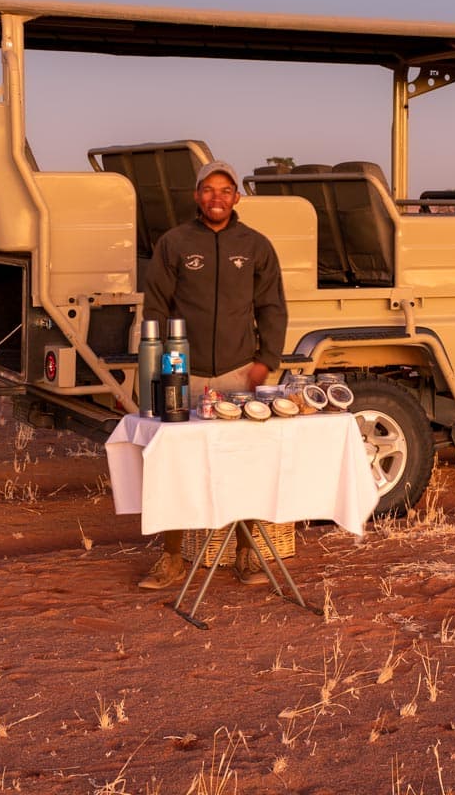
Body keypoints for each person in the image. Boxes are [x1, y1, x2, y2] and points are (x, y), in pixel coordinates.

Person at [136, 160, 288, 589]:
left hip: (239, 376)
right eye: (208, 190)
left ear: (237, 197)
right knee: (175, 467)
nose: (216, 197)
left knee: (244, 466)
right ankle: (171, 558)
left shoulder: (256, 245)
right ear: (196, 195)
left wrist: (266, 361)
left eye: (225, 190)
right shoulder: (175, 243)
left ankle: (246, 555)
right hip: (184, 375)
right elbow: (156, 308)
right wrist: (159, 368)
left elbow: (272, 307)